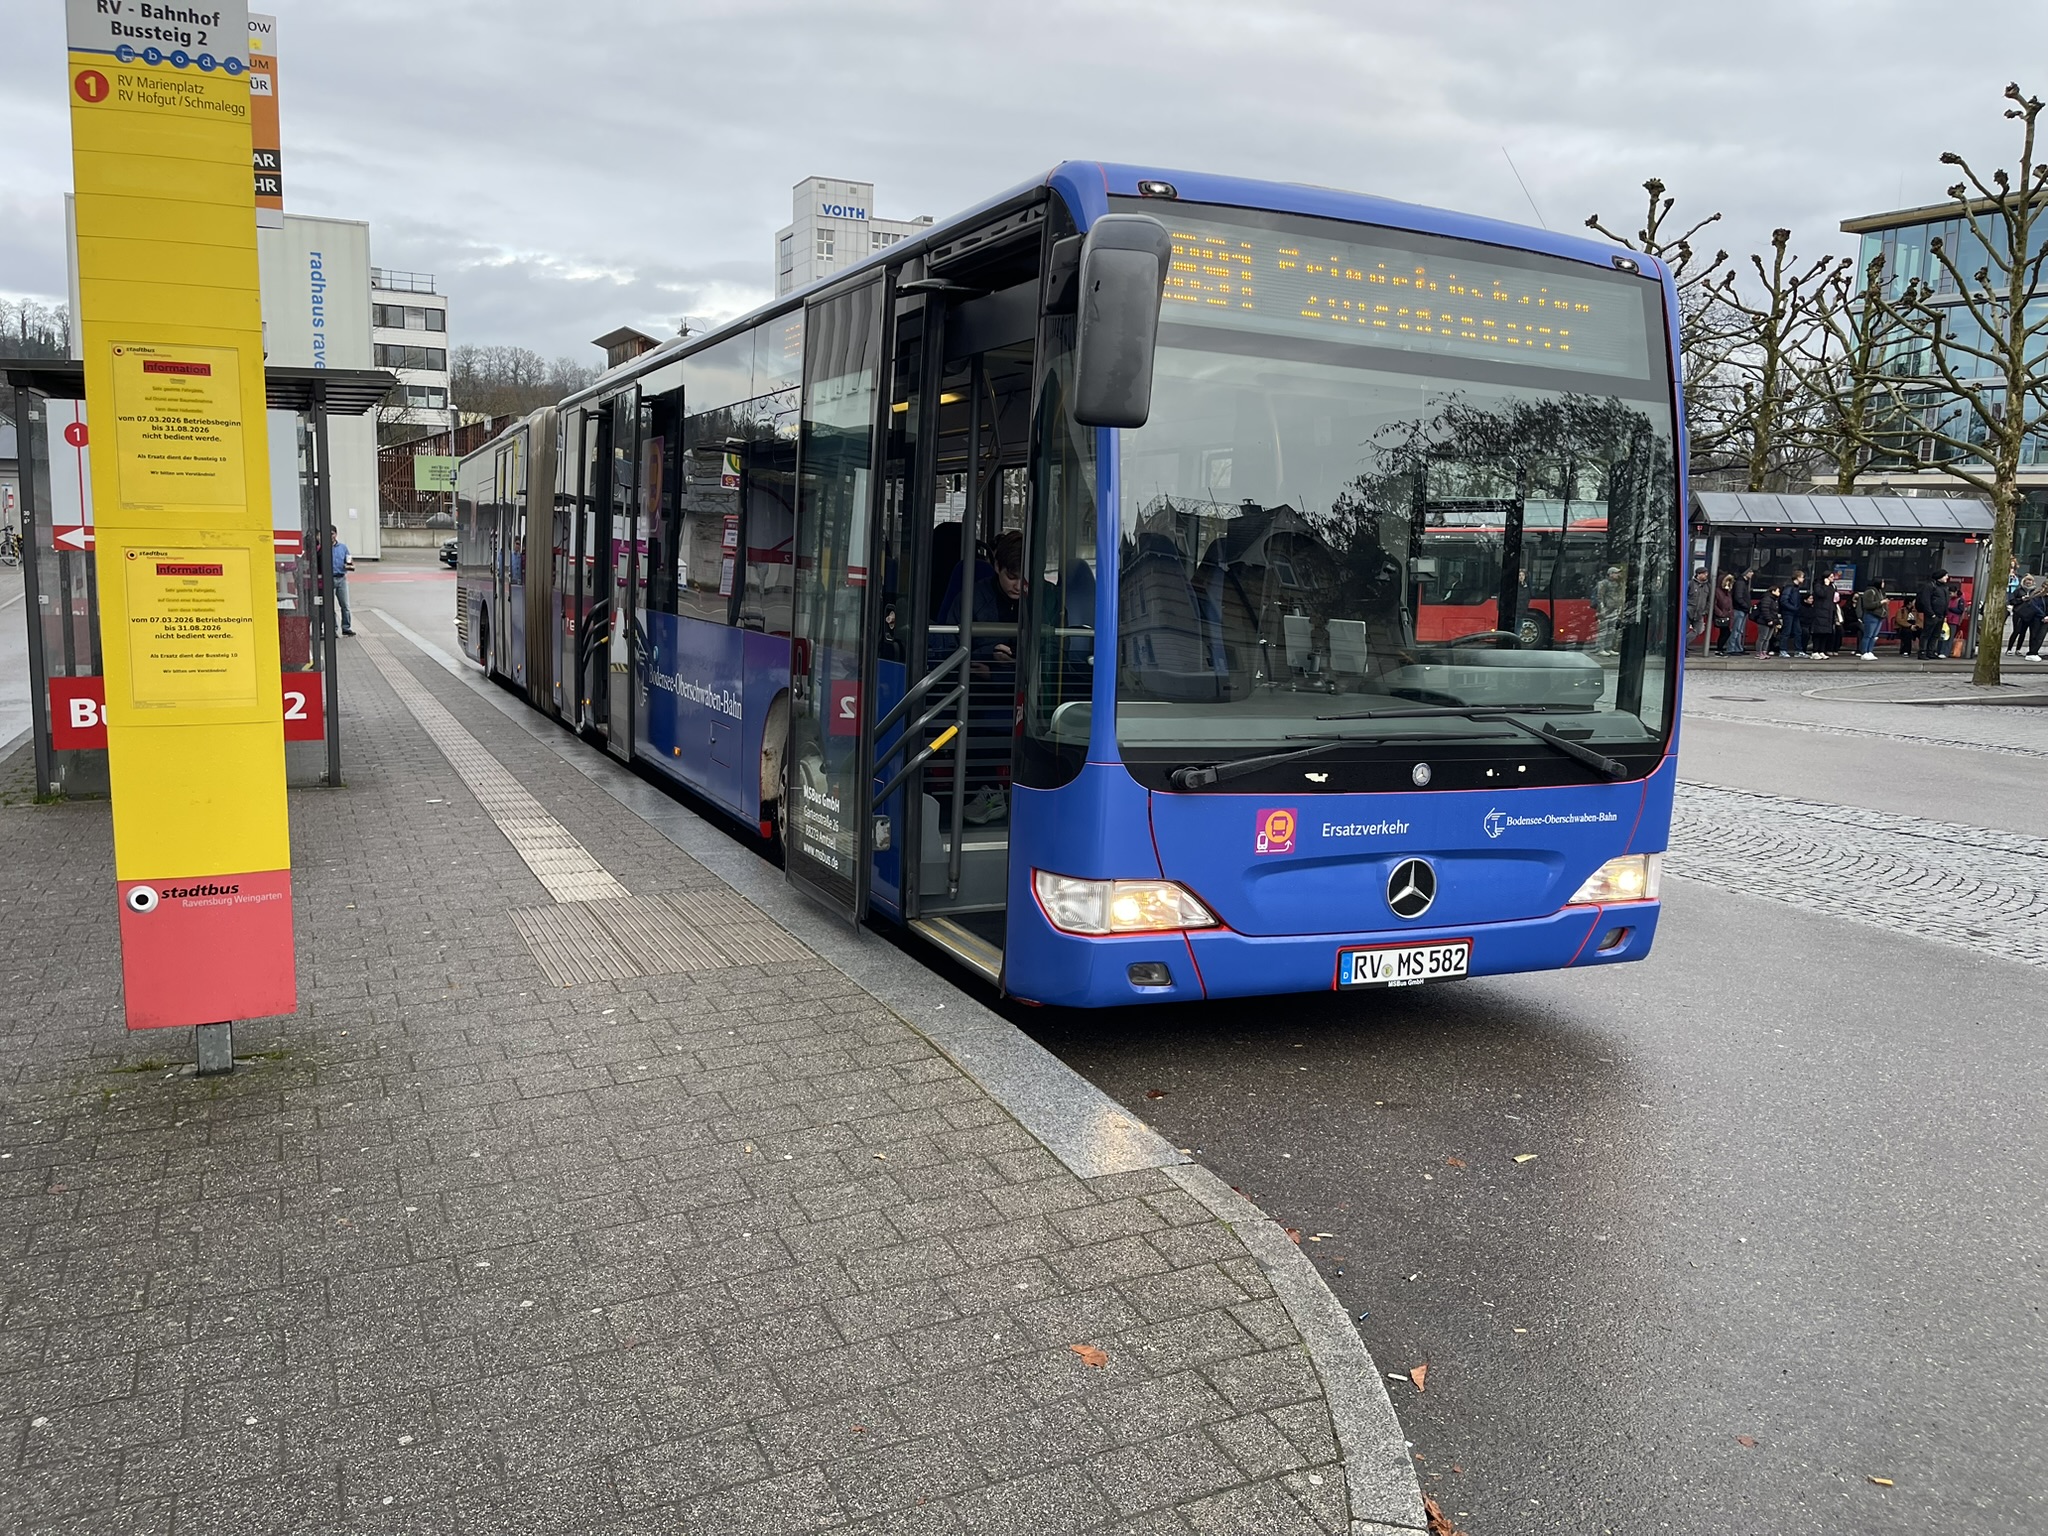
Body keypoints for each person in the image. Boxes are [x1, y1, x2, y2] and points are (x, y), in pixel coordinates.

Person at [1916, 572, 1949, 660]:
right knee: (1926, 634)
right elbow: (1926, 601)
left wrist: (1945, 614)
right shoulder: (1930, 586)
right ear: (1939, 576)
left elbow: (1945, 601)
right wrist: (1931, 614)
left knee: (1935, 635)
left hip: (1941, 615)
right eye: (1945, 575)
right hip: (1932, 615)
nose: (1947, 577)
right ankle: (1922, 652)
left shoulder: (1944, 587)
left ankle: (1930, 652)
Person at [1804, 575, 1840, 657]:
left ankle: (1821, 650)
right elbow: (1821, 594)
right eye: (1830, 577)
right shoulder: (1818, 585)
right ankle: (1815, 651)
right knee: (1818, 633)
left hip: (1828, 612)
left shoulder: (1832, 587)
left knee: (1825, 633)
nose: (1832, 578)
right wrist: (1825, 586)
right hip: (1820, 612)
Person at [2013, 576, 2047, 660]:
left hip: (2045, 618)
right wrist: (2043, 616)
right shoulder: (2038, 594)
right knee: (2035, 635)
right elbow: (2034, 606)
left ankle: (2034, 652)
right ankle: (2032, 652)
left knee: (2040, 636)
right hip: (2036, 618)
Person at [330, 522, 355, 637]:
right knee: (330, 606)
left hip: (341, 578)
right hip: (329, 578)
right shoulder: (324, 548)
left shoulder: (343, 547)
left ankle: (346, 627)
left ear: (336, 534)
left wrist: (349, 565)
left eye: (332, 534)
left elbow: (349, 560)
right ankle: (333, 629)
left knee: (345, 605)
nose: (331, 536)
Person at [1853, 579, 1887, 660]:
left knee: (1874, 636)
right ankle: (1864, 652)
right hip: (1871, 616)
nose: (1883, 584)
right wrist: (1881, 602)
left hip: (1879, 616)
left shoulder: (1880, 592)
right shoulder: (1870, 591)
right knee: (1868, 635)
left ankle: (1870, 651)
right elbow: (1868, 605)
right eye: (1882, 582)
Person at [1596, 564, 1626, 655]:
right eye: (1616, 573)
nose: (1618, 575)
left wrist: (1620, 607)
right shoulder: (1603, 583)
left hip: (1614, 609)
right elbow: (1600, 597)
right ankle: (1600, 649)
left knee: (1612, 630)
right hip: (1606, 610)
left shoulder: (1618, 584)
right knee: (1603, 630)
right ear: (1611, 574)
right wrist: (1602, 609)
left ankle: (1608, 648)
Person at [1778, 569, 1807, 658]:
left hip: (1793, 612)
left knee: (1797, 631)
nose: (1803, 579)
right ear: (1797, 577)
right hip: (1789, 613)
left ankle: (1798, 650)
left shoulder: (1793, 587)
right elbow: (1784, 601)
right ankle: (1783, 650)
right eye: (1802, 577)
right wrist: (1794, 608)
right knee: (1787, 631)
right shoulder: (1790, 587)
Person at [1726, 566, 1755, 654]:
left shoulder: (1742, 582)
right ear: (1745, 573)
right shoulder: (1740, 583)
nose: (1752, 573)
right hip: (1739, 609)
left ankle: (1737, 648)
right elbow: (1738, 597)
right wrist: (1746, 606)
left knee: (1739, 630)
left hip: (1742, 609)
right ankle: (1732, 648)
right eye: (1750, 571)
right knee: (1736, 630)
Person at [1751, 583, 1781, 656]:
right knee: (1762, 637)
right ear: (1773, 591)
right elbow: (1765, 610)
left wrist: (1777, 622)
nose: (1779, 593)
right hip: (1764, 621)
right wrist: (1769, 620)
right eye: (1778, 591)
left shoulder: (1774, 600)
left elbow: (1775, 613)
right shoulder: (1767, 598)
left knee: (1767, 638)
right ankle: (1759, 652)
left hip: (1771, 621)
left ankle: (1764, 652)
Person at [1684, 563, 1707, 651]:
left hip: (1700, 613)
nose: (1706, 575)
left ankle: (1683, 644)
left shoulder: (1707, 586)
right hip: (1689, 611)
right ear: (1698, 574)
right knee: (1684, 630)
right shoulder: (1690, 584)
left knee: (1699, 630)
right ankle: (1683, 648)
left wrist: (1706, 610)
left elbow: (1709, 600)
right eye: (1704, 573)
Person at [1711, 573, 1735, 653]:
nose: (1728, 583)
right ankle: (1719, 649)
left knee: (1726, 632)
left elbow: (1730, 604)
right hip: (1722, 615)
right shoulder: (1717, 591)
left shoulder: (1728, 592)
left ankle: (1720, 649)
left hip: (1728, 615)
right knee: (1725, 632)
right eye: (1727, 581)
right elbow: (1714, 604)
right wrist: (1720, 613)